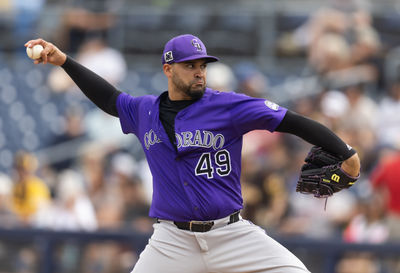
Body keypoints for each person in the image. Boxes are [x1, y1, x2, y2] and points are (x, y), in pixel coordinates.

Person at [25, 34, 360, 273]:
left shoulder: (228, 106)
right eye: (190, 66)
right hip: (172, 241)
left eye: (202, 65)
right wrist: (63, 61)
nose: (199, 72)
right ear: (168, 70)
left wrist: (344, 151)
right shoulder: (144, 111)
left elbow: (291, 121)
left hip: (231, 233)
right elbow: (110, 99)